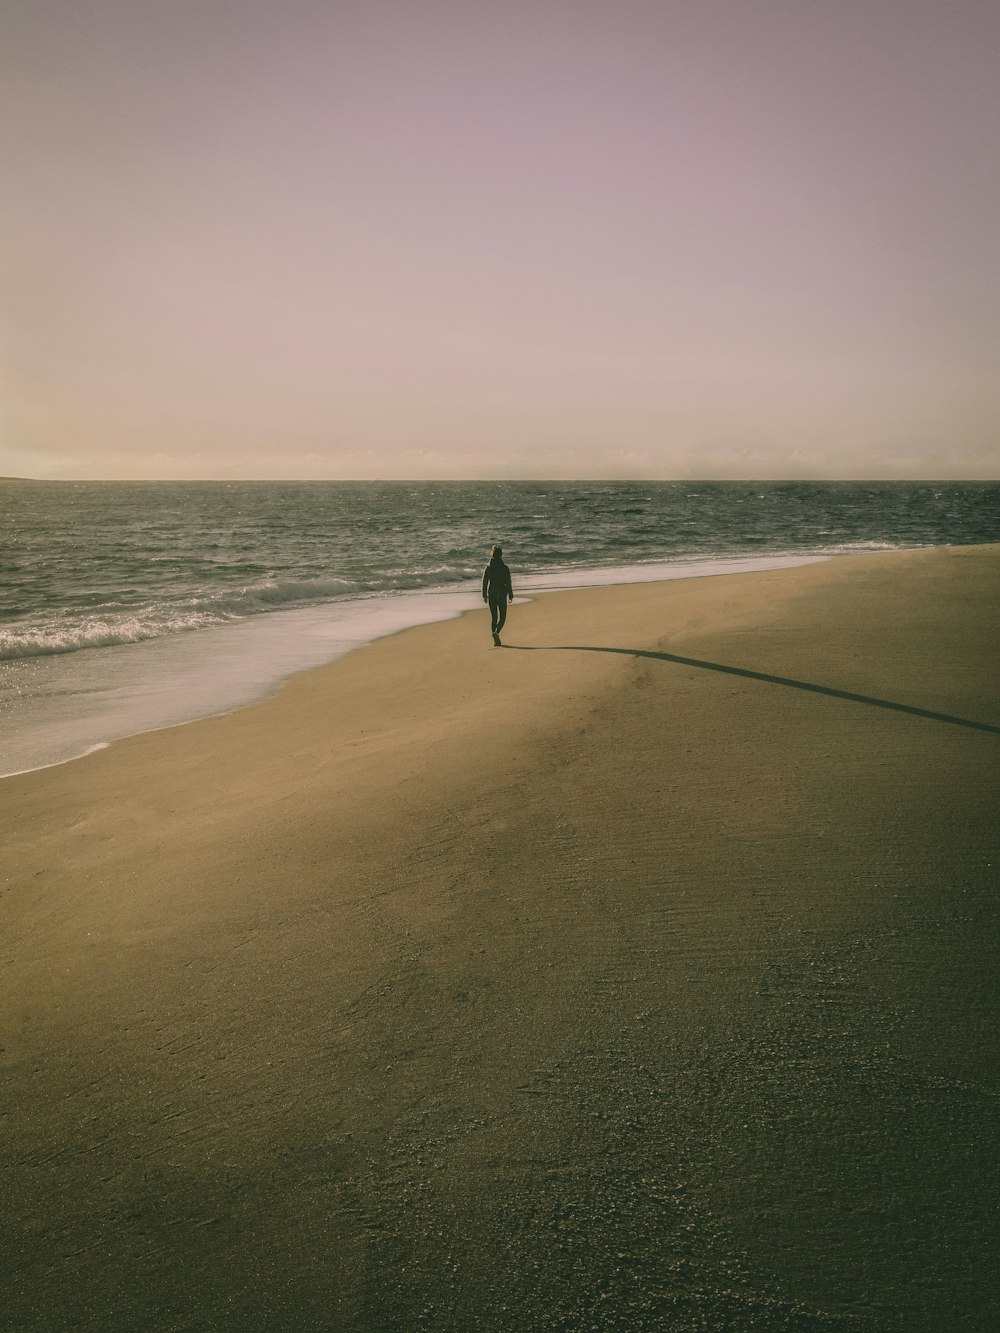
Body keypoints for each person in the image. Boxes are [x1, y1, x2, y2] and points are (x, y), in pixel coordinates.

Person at [482, 544, 513, 646]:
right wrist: (510, 594)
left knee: (494, 617)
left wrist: (484, 595)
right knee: (502, 617)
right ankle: (496, 632)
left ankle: (494, 638)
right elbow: (508, 582)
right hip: (501, 593)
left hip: (491, 593)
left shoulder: (488, 567)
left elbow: (485, 581)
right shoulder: (504, 568)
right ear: (501, 555)